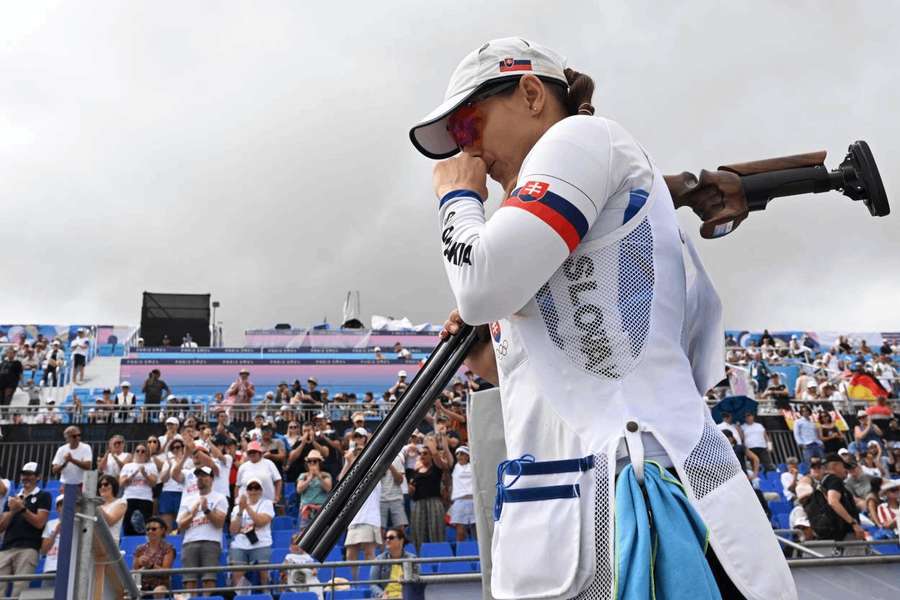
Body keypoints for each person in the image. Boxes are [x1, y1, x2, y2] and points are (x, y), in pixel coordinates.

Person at [418, 37, 795, 599]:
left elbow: (483, 285)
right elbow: (578, 373)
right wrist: (491, 352)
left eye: (469, 127)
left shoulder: (580, 137)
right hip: (592, 516)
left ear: (530, 93)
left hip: (644, 509)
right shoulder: (548, 214)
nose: (467, 154)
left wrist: (456, 199)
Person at [0, 462, 51, 598]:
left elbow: (40, 523)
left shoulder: (43, 496)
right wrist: (12, 511)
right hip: (6, 548)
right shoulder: (12, 499)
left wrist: (22, 509)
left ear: (38, 477)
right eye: (23, 474)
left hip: (29, 548)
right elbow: (1, 527)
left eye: (30, 474)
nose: (25, 477)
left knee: (20, 592)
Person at [176, 465, 228, 593]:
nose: (200, 478)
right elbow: (180, 525)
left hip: (211, 541)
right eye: (198, 476)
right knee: (189, 580)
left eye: (204, 476)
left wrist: (206, 510)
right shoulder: (188, 499)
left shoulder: (220, 498)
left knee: (209, 579)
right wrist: (192, 514)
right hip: (189, 542)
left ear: (211, 479)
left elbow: (219, 523)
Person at [228, 477, 275, 592]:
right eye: (250, 488)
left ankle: (265, 596)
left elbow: (261, 521)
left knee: (263, 575)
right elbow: (233, 529)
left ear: (261, 490)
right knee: (238, 576)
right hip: (240, 544)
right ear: (247, 491)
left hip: (261, 543)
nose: (253, 491)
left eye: (256, 488)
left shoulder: (267, 504)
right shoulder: (236, 508)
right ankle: (241, 596)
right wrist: (240, 510)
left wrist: (247, 507)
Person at [406, 435, 450, 550]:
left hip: (434, 502)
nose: (422, 455)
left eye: (425, 453)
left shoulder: (436, 468)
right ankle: (420, 558)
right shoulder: (414, 472)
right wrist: (410, 489)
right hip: (418, 504)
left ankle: (439, 556)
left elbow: (442, 463)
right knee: (418, 533)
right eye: (420, 454)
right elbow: (411, 492)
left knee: (436, 532)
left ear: (431, 455)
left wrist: (433, 447)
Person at [818, 454, 867, 555]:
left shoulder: (825, 481)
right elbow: (833, 501)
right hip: (846, 532)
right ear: (835, 466)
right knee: (856, 565)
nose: (846, 470)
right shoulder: (834, 479)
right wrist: (853, 523)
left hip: (838, 532)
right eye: (843, 466)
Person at [120, 444, 159, 535]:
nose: (140, 453)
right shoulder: (127, 466)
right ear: (134, 453)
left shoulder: (151, 466)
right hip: (129, 497)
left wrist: (145, 474)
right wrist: (134, 474)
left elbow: (153, 483)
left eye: (143, 451)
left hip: (145, 499)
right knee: (128, 524)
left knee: (144, 526)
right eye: (138, 451)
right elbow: (121, 483)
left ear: (146, 454)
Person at [369, 527, 418, 600]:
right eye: (386, 538)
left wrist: (407, 594)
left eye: (391, 537)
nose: (387, 540)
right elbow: (373, 583)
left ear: (401, 541)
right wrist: (381, 595)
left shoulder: (412, 559)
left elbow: (417, 580)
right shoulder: (379, 559)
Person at [132, 517, 175, 595]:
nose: (150, 531)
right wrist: (138, 562)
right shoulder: (140, 549)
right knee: (125, 589)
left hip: (160, 584)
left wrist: (151, 565)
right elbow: (135, 571)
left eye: (154, 529)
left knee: (159, 591)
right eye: (148, 529)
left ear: (162, 530)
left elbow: (166, 573)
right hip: (141, 585)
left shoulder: (168, 548)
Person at [295, 450, 332, 529]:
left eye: (315, 461)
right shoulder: (303, 476)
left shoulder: (326, 475)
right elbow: (299, 489)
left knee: (322, 532)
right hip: (306, 510)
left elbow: (328, 488)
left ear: (319, 463)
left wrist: (318, 476)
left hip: (321, 509)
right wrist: (310, 478)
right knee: (304, 534)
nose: (312, 463)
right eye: (309, 461)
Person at [282, 532, 323, 598]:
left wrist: (314, 571)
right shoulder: (289, 556)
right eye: (295, 544)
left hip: (308, 579)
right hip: (294, 579)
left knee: (317, 586)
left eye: (300, 543)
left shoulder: (307, 557)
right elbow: (283, 568)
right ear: (290, 547)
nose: (298, 546)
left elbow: (313, 567)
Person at [448, 445, 476, 541]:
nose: (459, 456)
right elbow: (447, 452)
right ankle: (460, 554)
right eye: (457, 454)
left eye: (462, 454)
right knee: (460, 533)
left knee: (477, 532)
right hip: (459, 502)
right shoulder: (454, 467)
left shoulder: (474, 466)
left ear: (468, 456)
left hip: (474, 501)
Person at [379, 450, 408, 534]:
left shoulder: (397, 459)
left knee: (400, 528)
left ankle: (400, 546)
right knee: (380, 529)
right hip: (380, 499)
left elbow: (400, 481)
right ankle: (382, 547)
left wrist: (390, 466)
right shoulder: (375, 461)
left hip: (396, 498)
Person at [39, 494, 66, 587]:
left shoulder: (79, 523)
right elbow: (43, 550)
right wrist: (55, 532)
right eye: (62, 505)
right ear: (58, 508)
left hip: (69, 569)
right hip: (50, 568)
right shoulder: (50, 524)